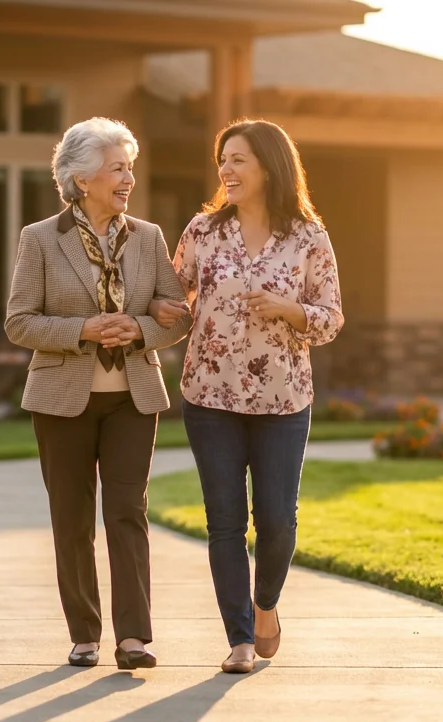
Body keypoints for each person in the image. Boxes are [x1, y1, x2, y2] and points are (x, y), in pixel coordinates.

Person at [151, 119, 343, 674]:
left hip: (283, 400)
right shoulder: (203, 231)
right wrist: (165, 313)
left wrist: (291, 311)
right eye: (223, 160)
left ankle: (265, 608)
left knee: (278, 519)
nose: (226, 170)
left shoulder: (309, 237)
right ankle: (238, 639)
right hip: (210, 397)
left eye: (238, 160)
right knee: (225, 520)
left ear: (269, 166)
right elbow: (173, 300)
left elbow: (330, 317)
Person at [5, 117, 191, 670]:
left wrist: (139, 328)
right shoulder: (39, 239)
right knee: (72, 516)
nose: (127, 177)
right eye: (117, 168)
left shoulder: (150, 237)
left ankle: (133, 638)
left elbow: (175, 316)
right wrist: (82, 329)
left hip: (132, 396)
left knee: (128, 512)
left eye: (129, 167)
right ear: (82, 180)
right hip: (61, 399)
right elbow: (19, 323)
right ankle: (84, 634)